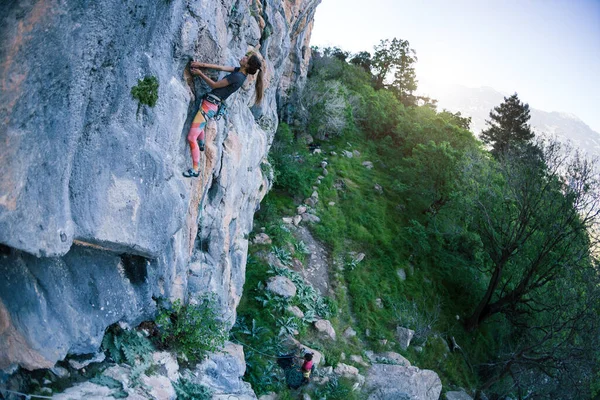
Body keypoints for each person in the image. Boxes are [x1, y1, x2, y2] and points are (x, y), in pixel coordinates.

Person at [182, 52, 264, 178]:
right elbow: (220, 68)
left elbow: (214, 85)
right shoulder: (240, 73)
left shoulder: (237, 77)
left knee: (191, 138)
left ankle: (195, 169)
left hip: (208, 106)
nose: (244, 57)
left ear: (247, 65)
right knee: (200, 123)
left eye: (246, 58)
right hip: (211, 105)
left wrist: (200, 73)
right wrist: (201, 64)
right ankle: (202, 143)